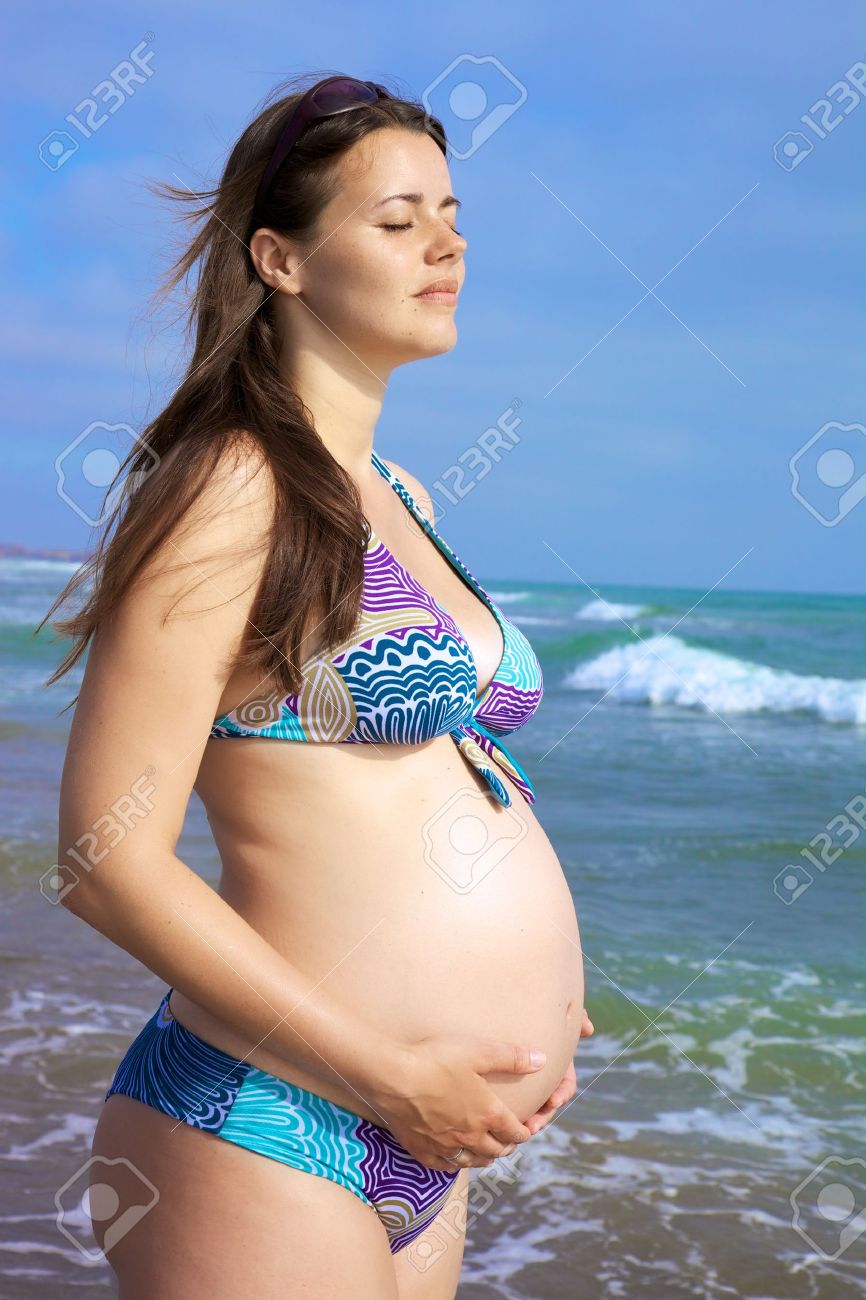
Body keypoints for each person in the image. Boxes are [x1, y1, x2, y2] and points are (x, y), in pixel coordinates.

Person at [46, 71, 590, 1300]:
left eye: (451, 214)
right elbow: (102, 854)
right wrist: (392, 1077)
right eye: (397, 221)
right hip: (271, 1116)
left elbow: (417, 789)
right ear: (280, 260)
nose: (444, 243)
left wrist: (538, 995)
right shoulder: (230, 488)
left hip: (425, 1143)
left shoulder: (400, 495)